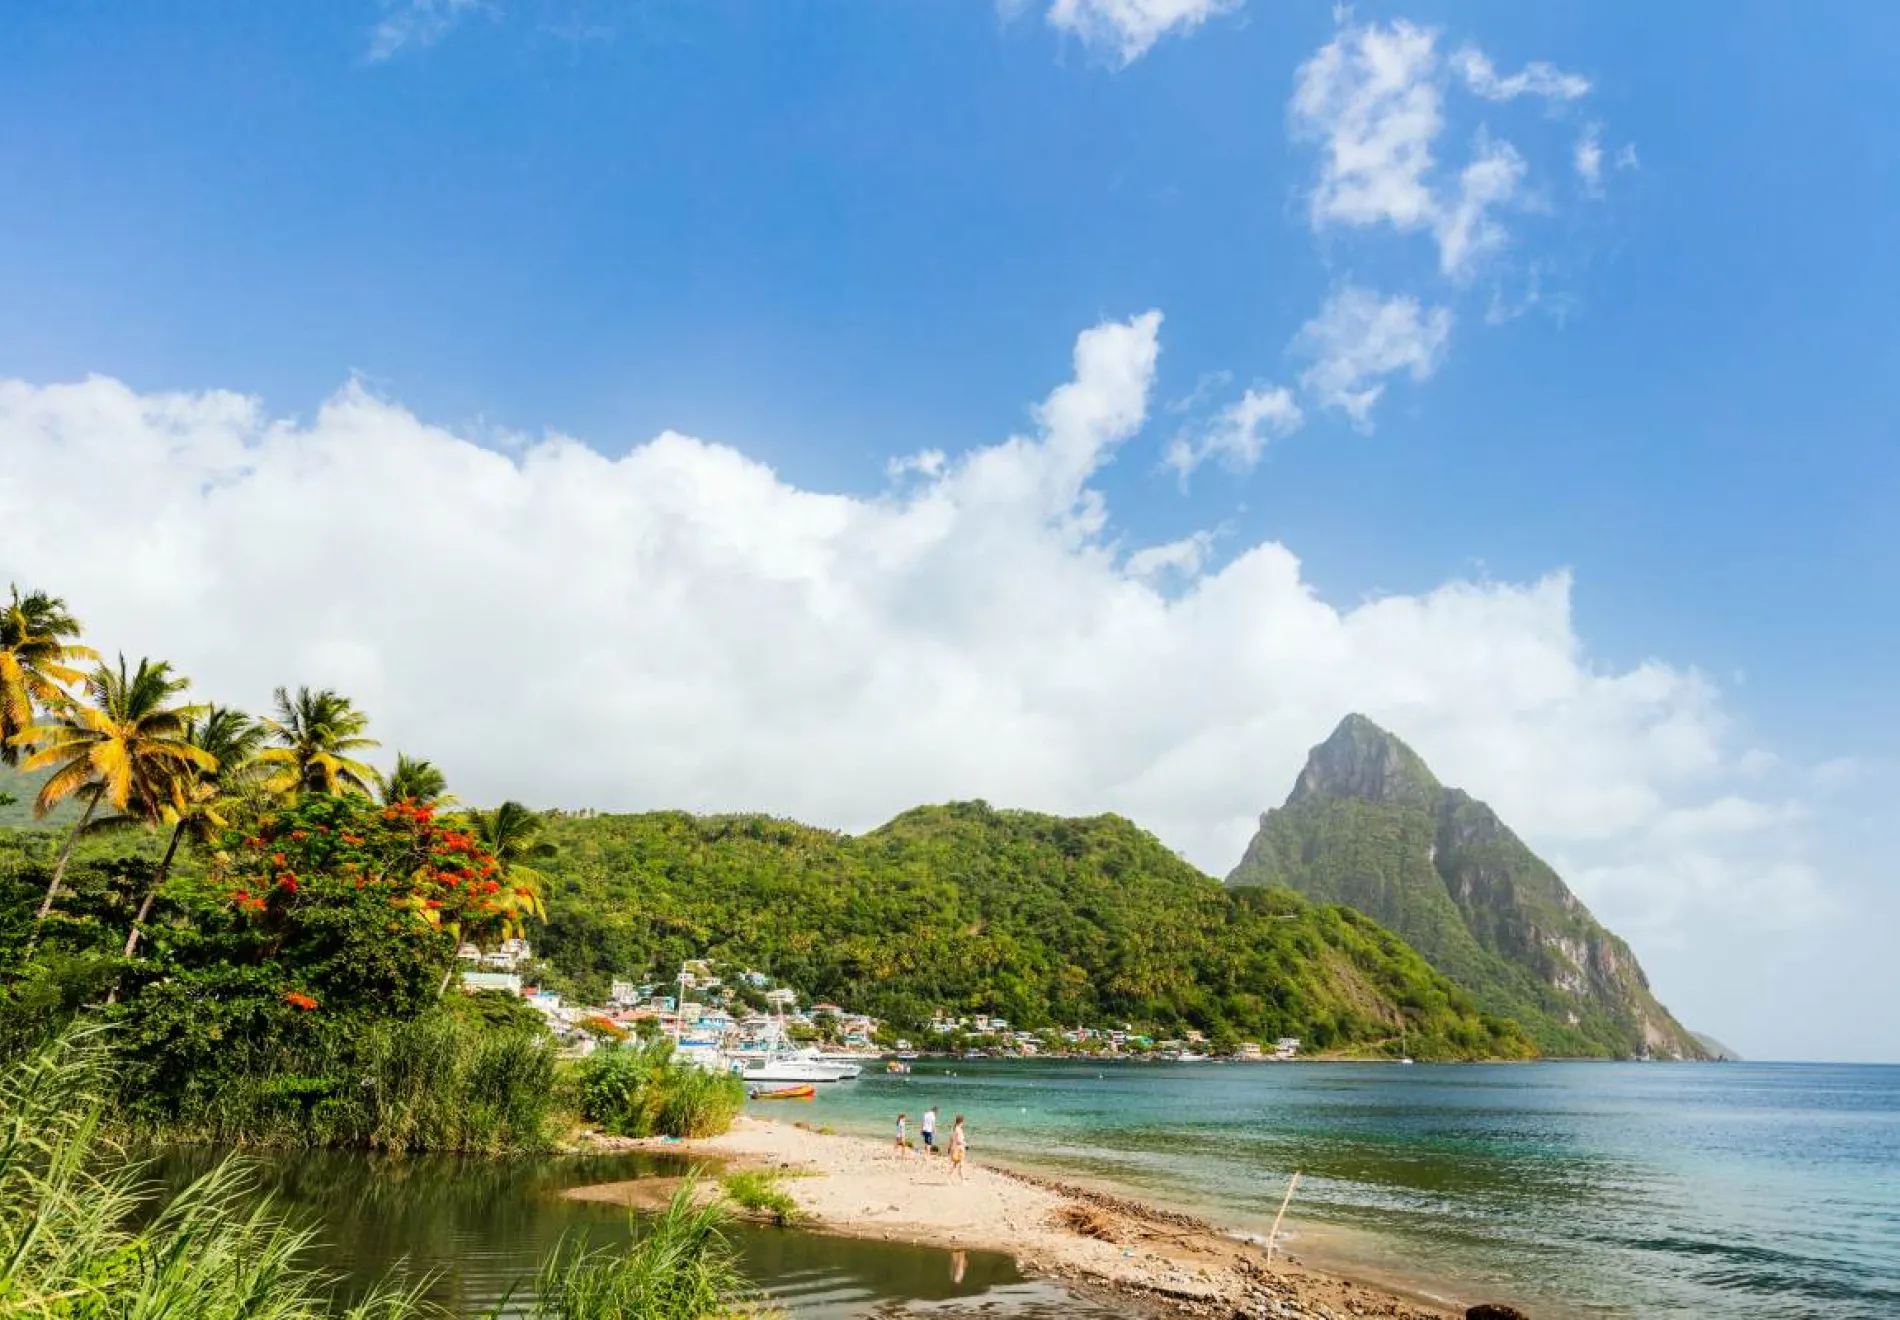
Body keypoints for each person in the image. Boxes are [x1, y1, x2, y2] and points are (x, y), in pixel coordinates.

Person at [948, 1113, 968, 1183]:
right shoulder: (958, 1130)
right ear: (961, 1122)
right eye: (963, 1122)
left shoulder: (954, 1129)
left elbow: (951, 1140)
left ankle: (949, 1177)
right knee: (961, 1165)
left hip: (955, 1149)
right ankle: (963, 1180)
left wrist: (949, 1148)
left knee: (956, 1164)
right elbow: (959, 1140)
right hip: (959, 1149)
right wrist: (965, 1144)